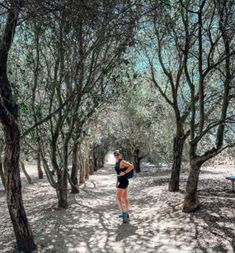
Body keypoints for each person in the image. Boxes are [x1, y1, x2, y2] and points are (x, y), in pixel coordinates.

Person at [113, 150, 134, 223]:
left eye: (117, 154)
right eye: (115, 154)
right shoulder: (116, 162)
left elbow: (131, 166)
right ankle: (127, 213)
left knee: (118, 198)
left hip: (123, 181)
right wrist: (117, 182)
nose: (116, 155)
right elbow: (118, 173)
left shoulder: (122, 161)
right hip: (122, 181)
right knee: (124, 198)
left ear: (120, 155)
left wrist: (124, 172)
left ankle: (123, 214)